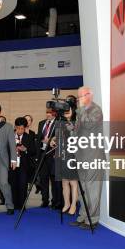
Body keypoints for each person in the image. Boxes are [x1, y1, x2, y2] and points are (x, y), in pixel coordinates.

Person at [71, 86, 104, 230]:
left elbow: (89, 125)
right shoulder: (80, 112)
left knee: (93, 189)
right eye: (78, 97)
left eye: (81, 96)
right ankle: (83, 216)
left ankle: (93, 219)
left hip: (93, 156)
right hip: (81, 156)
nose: (79, 100)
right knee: (83, 189)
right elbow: (78, 131)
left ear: (89, 95)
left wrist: (81, 109)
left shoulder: (96, 110)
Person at [50, 104, 78, 215]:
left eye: (68, 109)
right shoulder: (61, 123)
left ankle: (74, 205)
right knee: (64, 182)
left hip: (73, 155)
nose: (66, 111)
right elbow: (58, 137)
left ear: (73, 110)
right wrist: (53, 140)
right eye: (65, 110)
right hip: (62, 155)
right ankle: (66, 203)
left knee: (73, 182)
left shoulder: (78, 122)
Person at [37, 109, 61, 209]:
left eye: (50, 113)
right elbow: (39, 136)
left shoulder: (59, 123)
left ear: (55, 113)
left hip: (52, 154)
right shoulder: (41, 123)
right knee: (43, 179)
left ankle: (55, 201)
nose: (48, 114)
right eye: (47, 112)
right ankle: (44, 200)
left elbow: (60, 137)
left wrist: (50, 140)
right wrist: (42, 139)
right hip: (42, 154)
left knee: (54, 179)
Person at [10, 117, 35, 210]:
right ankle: (14, 204)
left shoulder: (28, 137)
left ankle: (22, 205)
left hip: (24, 165)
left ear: (25, 128)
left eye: (22, 128)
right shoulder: (10, 135)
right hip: (12, 164)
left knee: (23, 185)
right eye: (18, 128)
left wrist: (25, 149)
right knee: (13, 184)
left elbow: (33, 151)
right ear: (15, 127)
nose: (20, 130)